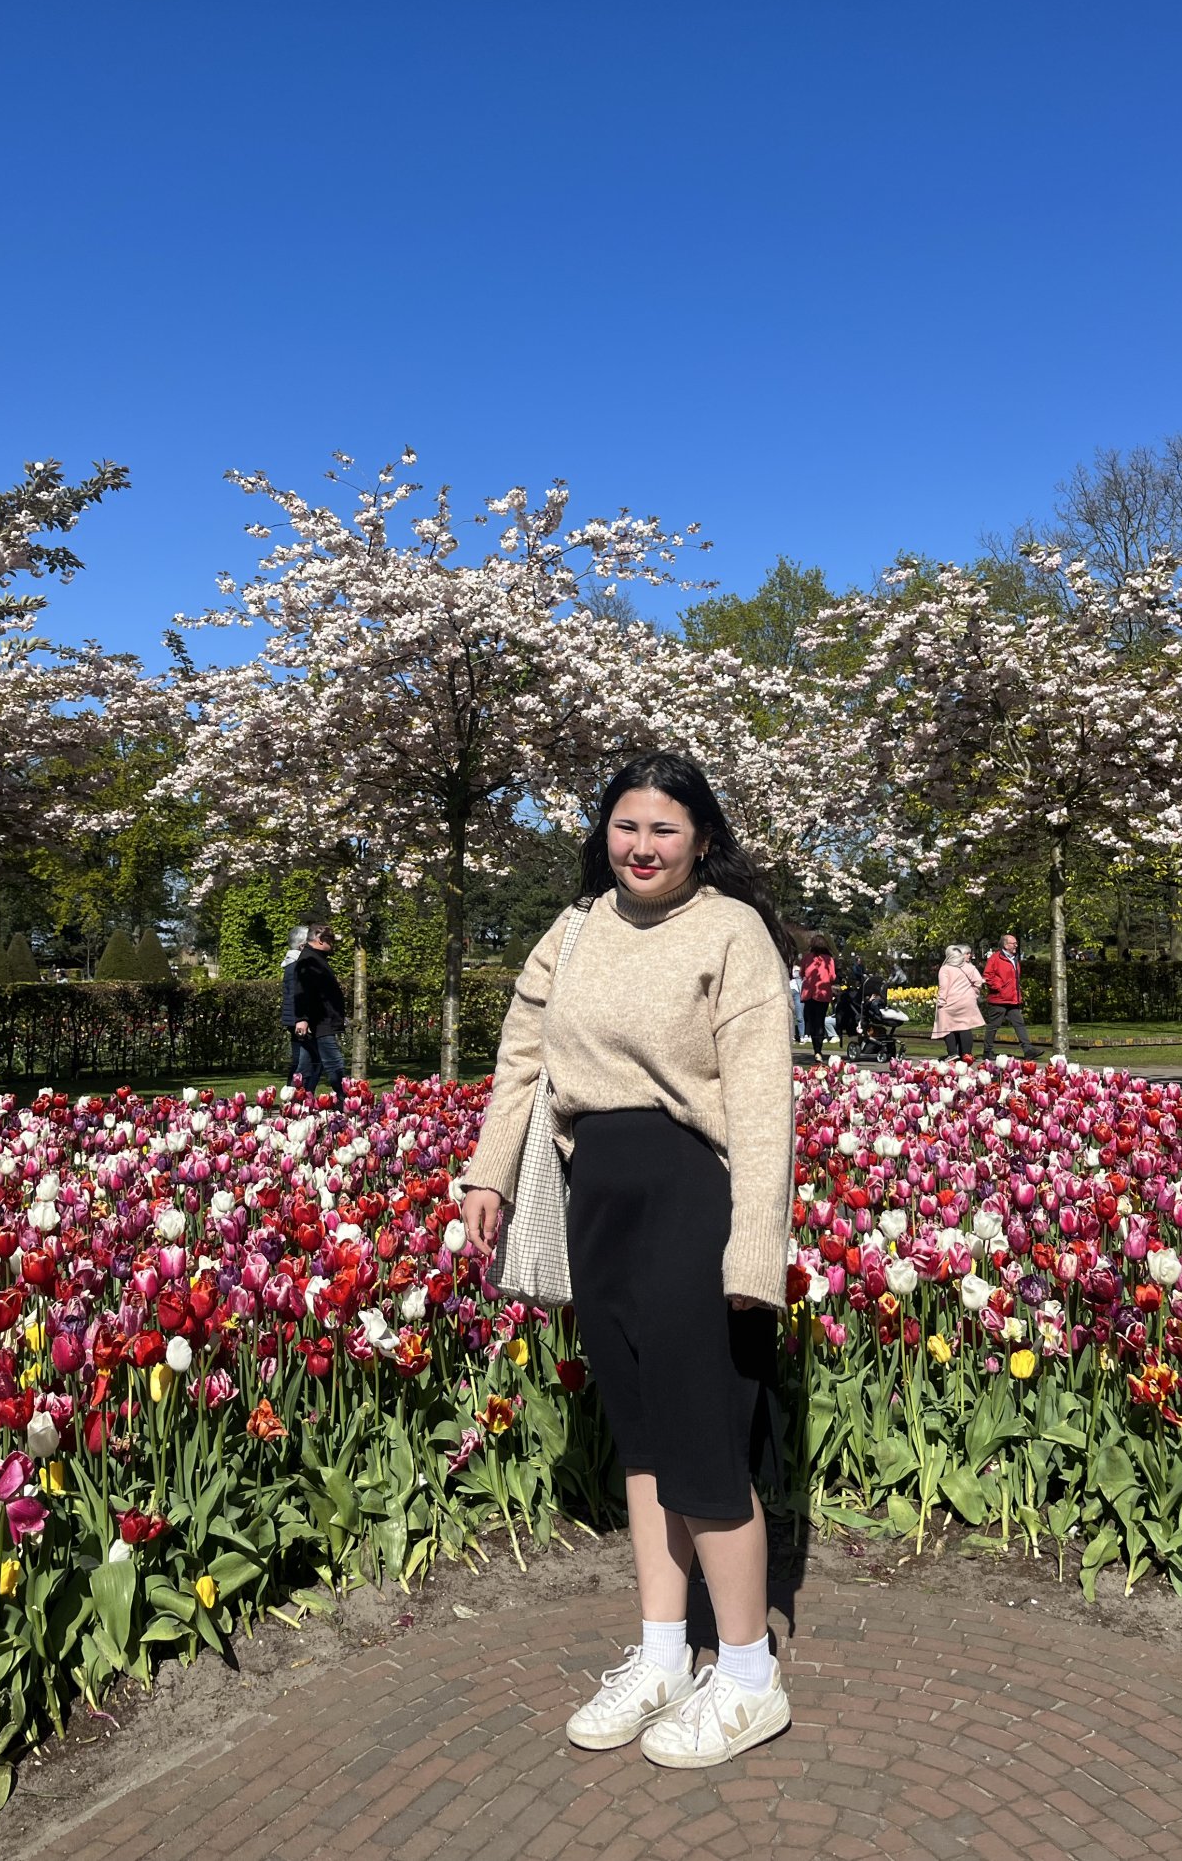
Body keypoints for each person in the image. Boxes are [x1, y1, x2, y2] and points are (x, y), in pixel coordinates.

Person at [460, 750, 794, 1767]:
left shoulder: (731, 934)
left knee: (700, 1441)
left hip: (693, 1189)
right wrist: (489, 1172)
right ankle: (660, 1654)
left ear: (701, 839)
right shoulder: (573, 930)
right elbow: (522, 1055)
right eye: (625, 826)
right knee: (643, 1439)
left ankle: (745, 1674)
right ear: (601, 833)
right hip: (596, 1190)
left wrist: (754, 1253)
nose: (641, 847)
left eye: (663, 829)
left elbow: (761, 1102)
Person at [291, 924, 347, 1092]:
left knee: (308, 1065)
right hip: (320, 1020)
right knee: (334, 1062)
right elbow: (302, 990)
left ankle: (299, 1101)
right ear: (320, 940)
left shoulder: (316, 958)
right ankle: (346, 1101)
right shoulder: (309, 960)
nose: (334, 944)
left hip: (321, 1018)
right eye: (331, 940)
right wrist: (302, 1018)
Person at [981, 933, 1032, 1059]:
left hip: (1012, 999)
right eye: (1013, 943)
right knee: (993, 1026)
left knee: (1019, 1023)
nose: (1016, 945)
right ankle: (987, 1051)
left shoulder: (1014, 958)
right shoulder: (995, 958)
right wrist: (999, 988)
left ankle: (1028, 1050)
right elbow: (987, 976)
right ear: (1005, 945)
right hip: (999, 999)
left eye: (1016, 943)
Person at [933, 943, 984, 1060]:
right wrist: (973, 993)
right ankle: (966, 1055)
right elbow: (978, 981)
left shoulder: (945, 969)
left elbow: (943, 987)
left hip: (951, 1002)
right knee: (964, 1026)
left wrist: (941, 1001)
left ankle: (952, 1053)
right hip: (967, 1002)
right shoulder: (969, 967)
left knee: (946, 1025)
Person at [278, 925, 311, 1081]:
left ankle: (292, 1093)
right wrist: (302, 1019)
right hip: (298, 1020)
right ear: (302, 946)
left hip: (295, 1019)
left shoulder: (293, 965)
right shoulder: (297, 967)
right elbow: (297, 996)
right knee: (303, 1062)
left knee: (300, 1060)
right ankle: (295, 1094)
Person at [799, 935, 836, 1060]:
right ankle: (818, 1050)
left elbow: (801, 973)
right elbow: (832, 977)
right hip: (822, 994)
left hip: (809, 993)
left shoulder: (807, 958)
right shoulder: (829, 960)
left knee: (812, 1022)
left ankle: (816, 1049)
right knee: (819, 1022)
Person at [788, 960, 805, 1044]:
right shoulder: (787, 968)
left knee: (799, 1016)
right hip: (788, 991)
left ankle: (802, 1036)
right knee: (790, 1016)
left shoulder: (798, 969)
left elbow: (798, 975)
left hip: (798, 993)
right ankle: (791, 1036)